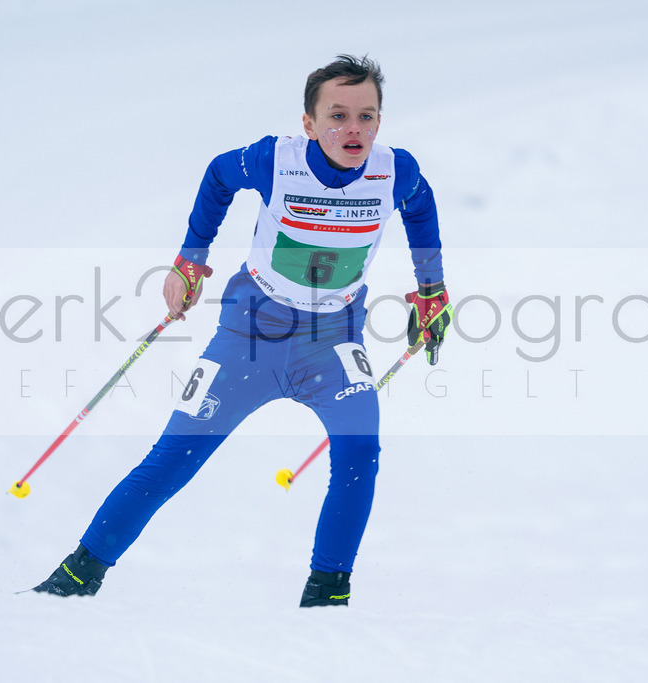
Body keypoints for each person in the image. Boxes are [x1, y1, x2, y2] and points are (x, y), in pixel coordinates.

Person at [31, 55, 452, 607]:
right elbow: (218, 176)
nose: (353, 130)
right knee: (174, 456)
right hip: (251, 333)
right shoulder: (275, 160)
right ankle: (76, 577)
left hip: (335, 341)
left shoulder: (397, 170)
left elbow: (420, 207)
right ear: (308, 122)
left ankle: (327, 597)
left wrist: (431, 289)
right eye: (338, 115)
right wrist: (189, 259)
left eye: (367, 117)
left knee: (359, 451)